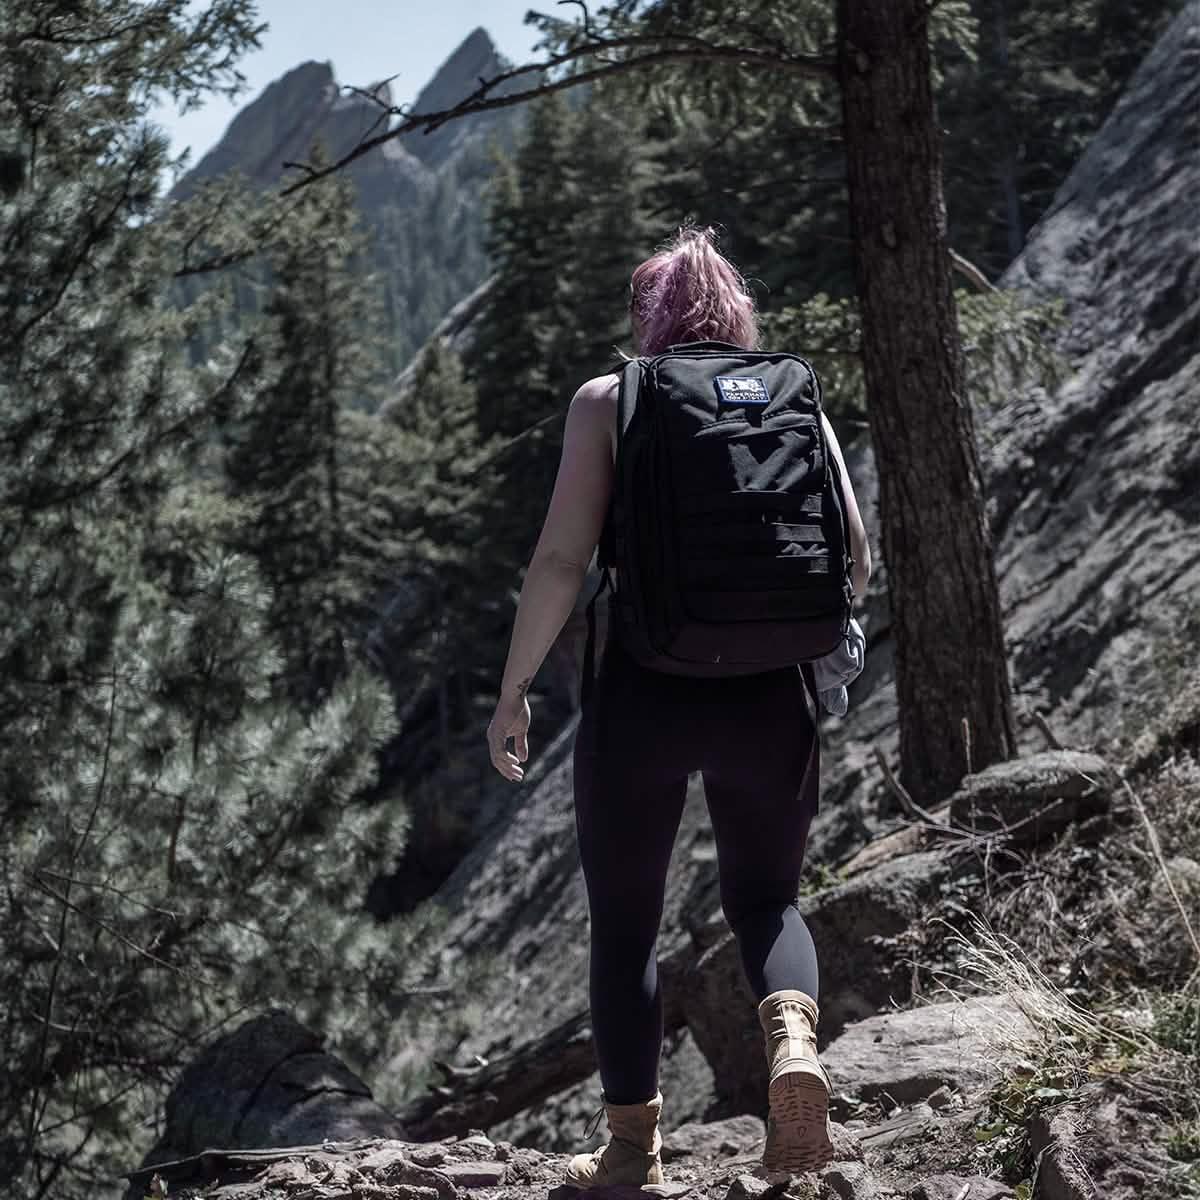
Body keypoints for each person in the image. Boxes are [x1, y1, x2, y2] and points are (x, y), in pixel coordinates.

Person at [486, 227, 872, 1187]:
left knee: (625, 925)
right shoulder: (793, 394)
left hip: (643, 696)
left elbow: (563, 563)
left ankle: (631, 1154)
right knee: (767, 900)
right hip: (771, 697)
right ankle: (791, 1046)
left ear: (646, 319)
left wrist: (513, 688)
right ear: (736, 314)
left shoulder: (609, 401)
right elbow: (856, 555)